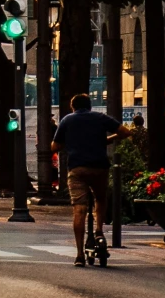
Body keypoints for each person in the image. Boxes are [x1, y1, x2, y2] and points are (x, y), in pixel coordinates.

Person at [54, 92, 126, 266]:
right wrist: (107, 140)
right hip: (99, 166)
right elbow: (125, 132)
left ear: (73, 107)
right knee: (100, 197)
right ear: (90, 106)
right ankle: (99, 230)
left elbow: (54, 146)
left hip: (77, 168)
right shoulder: (100, 117)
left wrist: (71, 143)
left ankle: (79, 254)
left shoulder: (67, 120)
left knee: (79, 209)